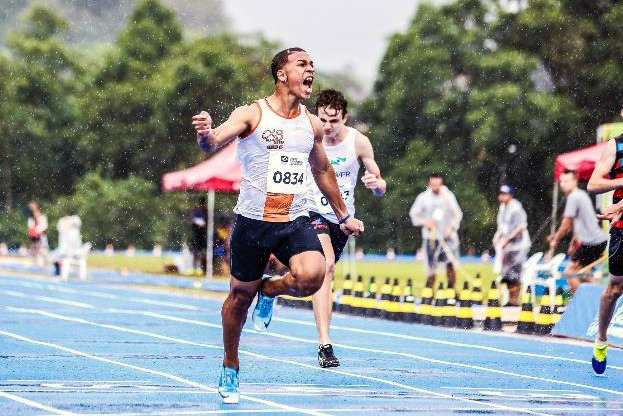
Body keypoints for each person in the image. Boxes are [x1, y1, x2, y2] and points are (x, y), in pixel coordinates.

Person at [191, 47, 364, 404]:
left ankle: (269, 291)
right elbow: (212, 142)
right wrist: (205, 134)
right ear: (282, 74)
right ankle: (230, 364)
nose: (311, 70)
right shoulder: (252, 114)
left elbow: (321, 171)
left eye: (313, 65)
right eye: (303, 64)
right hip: (253, 223)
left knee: (315, 274)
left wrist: (343, 215)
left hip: (293, 220)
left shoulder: (311, 125)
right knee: (238, 300)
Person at [306, 89, 386, 368]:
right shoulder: (307, 136)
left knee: (318, 276)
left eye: (333, 121)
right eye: (323, 120)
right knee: (326, 267)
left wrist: (377, 186)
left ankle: (270, 290)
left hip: (341, 218)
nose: (327, 127)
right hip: (310, 210)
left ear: (345, 118)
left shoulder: (359, 142)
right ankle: (324, 345)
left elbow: (379, 181)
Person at [585, 125, 623, 374]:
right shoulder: (616, 146)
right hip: (621, 228)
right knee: (615, 288)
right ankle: (601, 338)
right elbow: (593, 184)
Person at [549, 169, 607, 293]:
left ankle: (580, 305)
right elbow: (580, 224)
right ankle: (600, 301)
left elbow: (566, 224)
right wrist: (572, 243)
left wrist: (555, 239)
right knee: (583, 274)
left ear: (575, 181)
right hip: (596, 242)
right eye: (562, 181)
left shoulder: (574, 197)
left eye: (567, 181)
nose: (563, 184)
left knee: (570, 272)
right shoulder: (581, 195)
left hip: (592, 243)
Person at [409, 174, 462, 289]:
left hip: (448, 237)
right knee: (431, 266)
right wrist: (425, 222)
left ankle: (452, 290)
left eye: (438, 184)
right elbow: (414, 214)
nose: (435, 187)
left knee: (451, 264)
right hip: (431, 237)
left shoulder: (448, 196)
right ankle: (429, 291)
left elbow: (457, 214)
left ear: (441, 184)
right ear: (429, 184)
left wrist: (451, 227)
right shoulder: (423, 198)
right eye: (433, 184)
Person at [492, 185, 530, 306]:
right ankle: (510, 299)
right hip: (508, 247)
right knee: (507, 274)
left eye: (504, 194)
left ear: (510, 195)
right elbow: (502, 227)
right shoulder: (502, 208)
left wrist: (507, 240)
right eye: (500, 194)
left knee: (515, 273)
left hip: (518, 246)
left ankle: (514, 299)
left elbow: (520, 228)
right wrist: (497, 238)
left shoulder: (516, 208)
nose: (501, 196)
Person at [26, 201, 48, 266]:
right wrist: (33, 232)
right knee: (32, 250)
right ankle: (32, 264)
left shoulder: (43, 218)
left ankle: (41, 264)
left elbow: (43, 228)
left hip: (41, 236)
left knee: (42, 251)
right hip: (34, 237)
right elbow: (30, 229)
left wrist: (36, 231)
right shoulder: (31, 219)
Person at [190, 197, 208, 275]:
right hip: (197, 234)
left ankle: (200, 268)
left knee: (200, 252)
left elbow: (207, 222)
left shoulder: (206, 212)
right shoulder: (197, 212)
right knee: (196, 251)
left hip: (202, 235)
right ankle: (194, 268)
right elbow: (192, 220)